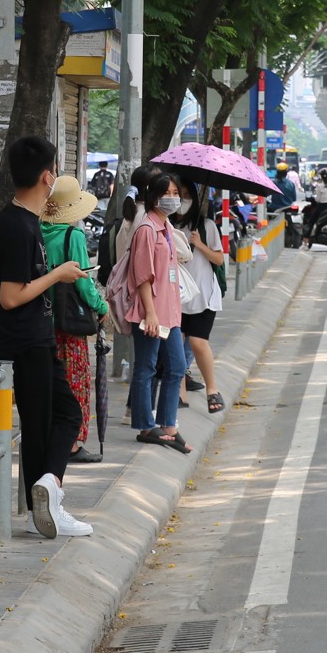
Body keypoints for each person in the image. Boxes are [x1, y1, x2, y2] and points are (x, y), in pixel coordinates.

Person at [0, 135, 92, 539]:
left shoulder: (27, 222)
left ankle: (48, 488)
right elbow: (10, 296)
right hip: (23, 340)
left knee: (65, 414)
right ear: (47, 177)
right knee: (40, 423)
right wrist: (59, 274)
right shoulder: (16, 227)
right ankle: (45, 504)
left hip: (38, 337)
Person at [42, 175, 109, 465]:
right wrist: (101, 305)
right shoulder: (74, 236)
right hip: (69, 322)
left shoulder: (38, 230)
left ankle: (49, 437)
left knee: (50, 384)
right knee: (76, 381)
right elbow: (82, 283)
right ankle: (71, 443)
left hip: (42, 320)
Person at [123, 170, 191, 454]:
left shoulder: (166, 229)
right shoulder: (147, 229)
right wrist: (149, 314)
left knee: (176, 366)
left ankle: (168, 424)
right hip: (151, 313)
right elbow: (143, 276)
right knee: (146, 367)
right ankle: (146, 426)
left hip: (170, 312)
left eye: (176, 194)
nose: (173, 200)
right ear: (153, 196)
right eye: (167, 194)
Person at [173, 186, 227, 414]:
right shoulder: (168, 226)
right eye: (176, 195)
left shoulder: (206, 226)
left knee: (197, 342)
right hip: (176, 294)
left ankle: (212, 390)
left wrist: (199, 244)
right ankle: (180, 393)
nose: (181, 200)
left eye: (185, 196)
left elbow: (219, 258)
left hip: (204, 295)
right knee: (176, 344)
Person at [303, 167, 327, 244]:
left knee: (311, 222)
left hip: (321, 207)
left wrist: (313, 199)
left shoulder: (320, 186)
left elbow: (317, 199)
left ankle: (306, 241)